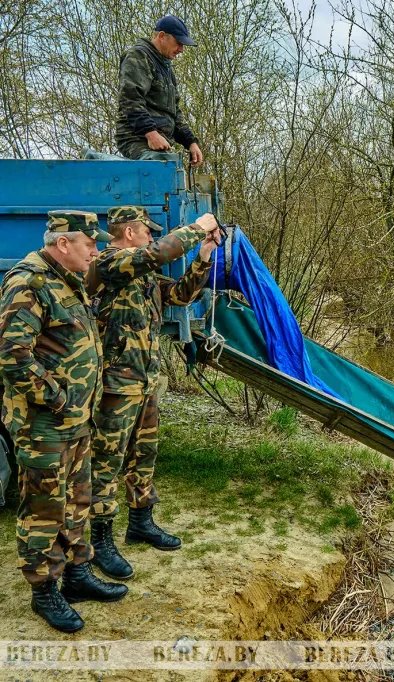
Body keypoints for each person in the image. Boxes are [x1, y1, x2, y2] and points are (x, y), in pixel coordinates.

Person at [0, 211, 128, 633]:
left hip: (75, 419)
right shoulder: (29, 281)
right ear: (63, 244)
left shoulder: (67, 278)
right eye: (89, 243)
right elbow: (13, 357)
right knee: (44, 508)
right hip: (44, 424)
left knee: (76, 500)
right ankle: (44, 590)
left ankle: (76, 573)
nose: (96, 249)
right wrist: (56, 398)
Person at [86, 206, 220, 580]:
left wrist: (204, 254)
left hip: (145, 382)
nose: (151, 236)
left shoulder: (143, 276)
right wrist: (197, 228)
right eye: (147, 231)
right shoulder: (109, 265)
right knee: (106, 465)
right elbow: (157, 253)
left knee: (143, 456)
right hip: (116, 386)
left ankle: (141, 522)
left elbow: (180, 295)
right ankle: (100, 540)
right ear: (130, 232)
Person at [115, 15, 204, 165]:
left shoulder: (166, 69)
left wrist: (191, 142)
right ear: (162, 36)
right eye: (178, 43)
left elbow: (175, 112)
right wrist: (150, 133)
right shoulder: (139, 56)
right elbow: (130, 98)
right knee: (159, 170)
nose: (181, 49)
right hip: (137, 138)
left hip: (160, 141)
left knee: (174, 169)